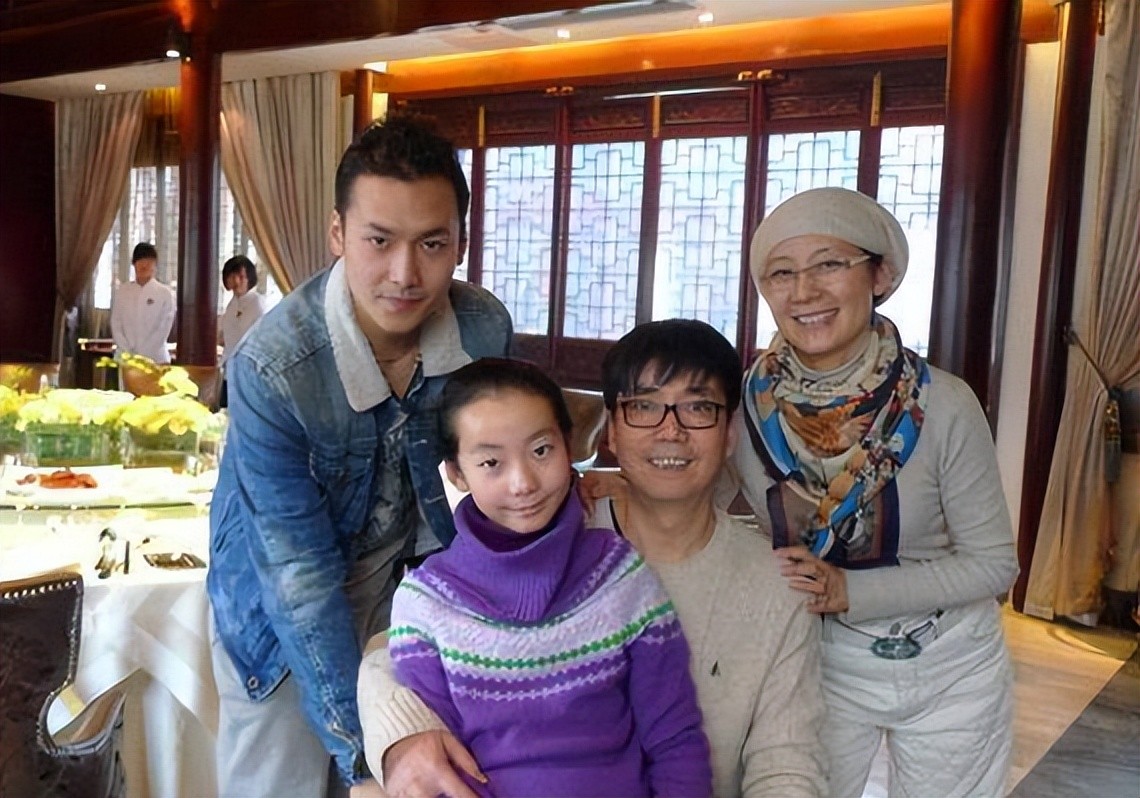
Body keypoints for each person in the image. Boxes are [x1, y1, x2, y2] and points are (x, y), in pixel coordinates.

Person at [360, 320, 827, 798]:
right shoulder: (541, 527)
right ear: (612, 431)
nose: (671, 430)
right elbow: (388, 654)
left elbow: (786, 767)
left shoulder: (773, 585)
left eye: (698, 407)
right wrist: (401, 737)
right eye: (644, 406)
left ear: (730, 433)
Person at [207, 114, 513, 798]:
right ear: (337, 234)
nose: (405, 274)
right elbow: (297, 577)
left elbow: (497, 465)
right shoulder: (275, 368)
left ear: (461, 243)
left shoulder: (482, 328)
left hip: (410, 609)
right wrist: (362, 758)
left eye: (432, 243)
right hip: (276, 616)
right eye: (379, 240)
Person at [735, 186, 1017, 797]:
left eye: (829, 264)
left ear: (880, 275)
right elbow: (696, 512)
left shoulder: (942, 403)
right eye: (782, 273)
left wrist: (851, 589)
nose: (804, 291)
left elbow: (994, 563)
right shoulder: (747, 410)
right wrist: (606, 489)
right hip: (813, 659)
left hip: (950, 665)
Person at [386, 357, 712, 797]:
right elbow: (436, 768)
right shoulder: (426, 603)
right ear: (457, 473)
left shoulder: (621, 578)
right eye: (491, 463)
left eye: (541, 451)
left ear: (569, 445)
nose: (523, 483)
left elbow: (674, 741)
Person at [110, 241, 175, 364]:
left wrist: (143, 354)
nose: (144, 265)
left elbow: (163, 329)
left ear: (155, 264)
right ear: (134, 263)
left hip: (156, 359)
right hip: (126, 358)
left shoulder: (165, 294)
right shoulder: (123, 291)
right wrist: (127, 351)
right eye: (140, 260)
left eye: (149, 261)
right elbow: (116, 323)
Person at [218, 254, 266, 364]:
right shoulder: (231, 305)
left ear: (249, 278)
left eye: (241, 277)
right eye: (232, 276)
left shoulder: (257, 303)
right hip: (228, 363)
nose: (236, 281)